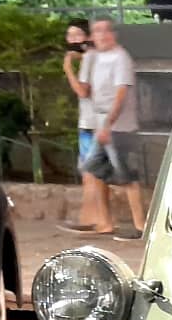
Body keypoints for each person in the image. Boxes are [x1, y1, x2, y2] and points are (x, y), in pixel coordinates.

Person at [79, 18, 146, 240]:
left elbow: (120, 95)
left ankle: (140, 225)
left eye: (105, 31)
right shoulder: (97, 58)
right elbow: (86, 90)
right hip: (104, 125)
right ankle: (105, 222)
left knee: (127, 176)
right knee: (95, 169)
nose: (101, 35)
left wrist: (108, 125)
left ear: (113, 34)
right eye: (96, 31)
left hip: (119, 127)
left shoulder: (120, 58)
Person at [59, 19, 102, 233]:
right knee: (88, 173)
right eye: (70, 35)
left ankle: (91, 219)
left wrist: (68, 68)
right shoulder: (90, 59)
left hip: (93, 124)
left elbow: (83, 91)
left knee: (91, 173)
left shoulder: (90, 60)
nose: (73, 39)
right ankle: (89, 217)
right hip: (88, 123)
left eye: (77, 34)